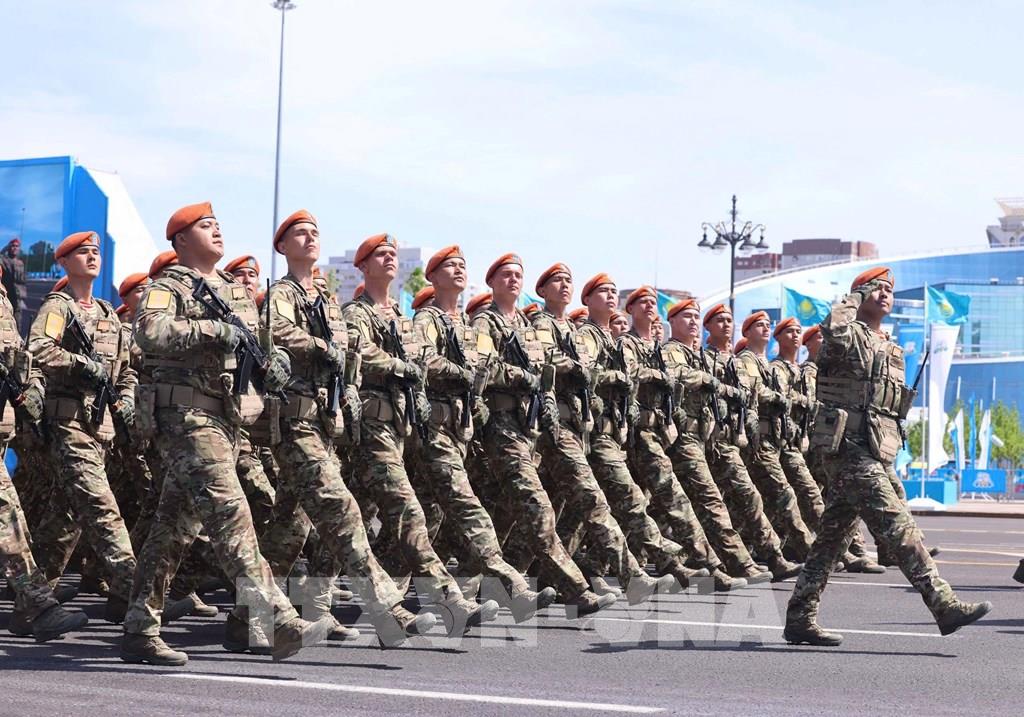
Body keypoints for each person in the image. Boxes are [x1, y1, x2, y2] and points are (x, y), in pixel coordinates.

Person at [121, 202, 333, 665]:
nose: (216, 230)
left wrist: (274, 364)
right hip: (185, 417)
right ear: (180, 241)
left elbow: (257, 348)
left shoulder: (236, 293)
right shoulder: (168, 286)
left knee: (172, 529)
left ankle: (139, 626)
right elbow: (149, 332)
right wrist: (212, 330)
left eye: (218, 224)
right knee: (231, 513)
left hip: (228, 419)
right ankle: (276, 618)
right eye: (205, 226)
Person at [785, 267, 992, 645]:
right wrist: (853, 296)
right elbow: (833, 329)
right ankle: (943, 603)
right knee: (899, 525)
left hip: (875, 449)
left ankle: (799, 616)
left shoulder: (889, 345)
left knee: (831, 541)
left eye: (889, 290)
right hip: (846, 447)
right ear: (860, 296)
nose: (884, 294)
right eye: (875, 289)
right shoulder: (847, 334)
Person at [260, 211, 435, 646]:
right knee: (343, 511)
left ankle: (246, 617)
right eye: (300, 233)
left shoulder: (325, 299)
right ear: (282, 246)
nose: (310, 238)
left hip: (325, 424)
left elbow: (347, 354)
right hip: (294, 420)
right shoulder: (282, 292)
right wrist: (320, 346)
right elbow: (276, 329)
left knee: (290, 530)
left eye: (315, 232)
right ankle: (389, 610)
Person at [343, 233, 499, 634]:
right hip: (371, 428)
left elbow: (424, 362)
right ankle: (451, 601)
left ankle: (311, 603)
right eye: (381, 254)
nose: (390, 259)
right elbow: (368, 353)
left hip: (402, 428)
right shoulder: (356, 312)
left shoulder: (400, 317)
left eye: (393, 254)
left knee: (339, 521)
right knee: (404, 513)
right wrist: (402, 367)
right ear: (363, 266)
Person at [408, 245, 556, 620]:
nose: (459, 269)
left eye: (463, 264)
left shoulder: (465, 325)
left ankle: (394, 603)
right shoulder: (428, 318)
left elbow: (488, 368)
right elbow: (423, 358)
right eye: (450, 265)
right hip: (434, 429)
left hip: (463, 431)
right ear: (432, 276)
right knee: (468, 511)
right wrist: (464, 374)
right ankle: (512, 588)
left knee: (424, 519)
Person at [471, 254, 615, 617]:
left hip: (530, 427)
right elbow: (483, 366)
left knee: (507, 513)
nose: (513, 280)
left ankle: (481, 586)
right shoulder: (484, 322)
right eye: (506, 275)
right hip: (501, 425)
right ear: (492, 282)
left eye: (517, 275)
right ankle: (575, 588)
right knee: (537, 507)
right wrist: (521, 377)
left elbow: (543, 373)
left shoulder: (525, 324)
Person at [531, 263, 677, 604]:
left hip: (585, 430)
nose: (564, 285)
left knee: (562, 513)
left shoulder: (575, 330)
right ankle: (634, 575)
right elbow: (548, 362)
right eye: (558, 281)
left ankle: (541, 579)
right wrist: (598, 374)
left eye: (568, 280)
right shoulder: (546, 326)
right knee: (590, 502)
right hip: (560, 428)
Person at [26, 232, 141, 625]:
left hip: (100, 428)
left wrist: (126, 396)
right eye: (83, 252)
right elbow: (39, 348)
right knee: (102, 508)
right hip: (69, 423)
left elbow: (127, 369)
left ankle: (30, 603)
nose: (92, 257)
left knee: (66, 518)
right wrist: (82, 365)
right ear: (63, 262)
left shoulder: (108, 312)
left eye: (95, 252)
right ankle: (137, 595)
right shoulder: (59, 306)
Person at [576, 274, 710, 589]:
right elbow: (588, 374)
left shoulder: (610, 339)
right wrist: (626, 378)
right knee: (628, 499)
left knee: (580, 511)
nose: (611, 295)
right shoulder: (593, 336)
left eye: (613, 291)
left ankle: (581, 569)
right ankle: (669, 561)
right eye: (603, 291)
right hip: (598, 434)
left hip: (619, 433)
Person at [620, 287, 743, 590]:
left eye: (653, 302)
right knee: (671, 498)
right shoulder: (630, 344)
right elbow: (638, 375)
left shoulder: (656, 348)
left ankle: (603, 563)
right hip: (639, 433)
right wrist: (662, 376)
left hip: (663, 433)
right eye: (643, 302)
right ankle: (708, 564)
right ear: (630, 309)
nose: (650, 306)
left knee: (637, 504)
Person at [662, 299, 770, 583]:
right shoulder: (672, 351)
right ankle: (731, 564)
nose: (693, 322)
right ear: (672, 321)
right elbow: (677, 375)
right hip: (684, 437)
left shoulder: (700, 356)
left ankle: (708, 562)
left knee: (703, 502)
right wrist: (710, 382)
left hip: (709, 437)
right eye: (687, 316)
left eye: (696, 316)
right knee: (708, 501)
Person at [701, 303, 803, 581]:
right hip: (714, 440)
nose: (726, 325)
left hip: (739, 439)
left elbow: (752, 399)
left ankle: (739, 555)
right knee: (744, 497)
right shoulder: (706, 358)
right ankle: (772, 556)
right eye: (719, 320)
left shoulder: (736, 362)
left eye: (729, 320)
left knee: (731, 502)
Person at [800, 324, 884, 574]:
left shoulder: (838, 368)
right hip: (815, 442)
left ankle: (854, 551)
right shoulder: (809, 371)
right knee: (809, 495)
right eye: (818, 338)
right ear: (809, 344)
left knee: (840, 498)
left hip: (835, 439)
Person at [736, 311, 815, 561]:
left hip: (778, 438)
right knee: (782, 493)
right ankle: (810, 550)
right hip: (760, 440)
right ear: (747, 332)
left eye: (767, 325)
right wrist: (784, 399)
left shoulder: (764, 364)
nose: (765, 329)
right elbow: (756, 391)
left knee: (764, 500)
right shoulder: (748, 360)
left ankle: (753, 548)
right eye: (759, 325)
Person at [770, 317, 825, 533]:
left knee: (808, 496)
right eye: (789, 331)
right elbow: (786, 396)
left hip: (803, 440)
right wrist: (811, 404)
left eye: (797, 331)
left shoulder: (799, 370)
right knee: (808, 495)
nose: (795, 335)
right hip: (786, 441)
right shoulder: (777, 368)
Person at [1, 238, 27, 332]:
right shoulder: (4, 260)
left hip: (18, 297)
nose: (15, 248)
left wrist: (23, 295)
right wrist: (4, 249)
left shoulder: (20, 263)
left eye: (17, 246)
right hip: (7, 295)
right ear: (9, 247)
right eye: (12, 246)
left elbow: (23, 281)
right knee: (4, 321)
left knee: (17, 321)